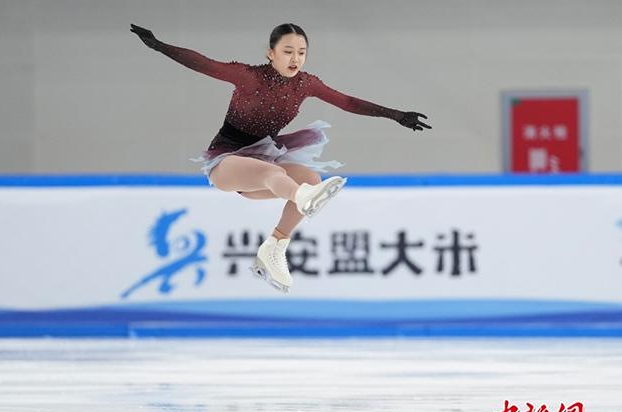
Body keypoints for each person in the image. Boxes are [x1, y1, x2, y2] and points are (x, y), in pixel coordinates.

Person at [130, 23, 431, 293]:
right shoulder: (248, 76)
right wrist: (160, 46)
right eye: (288, 51)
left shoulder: (306, 84)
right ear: (271, 53)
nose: (295, 59)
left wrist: (396, 115)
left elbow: (348, 102)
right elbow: (204, 64)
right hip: (227, 161)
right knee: (277, 176)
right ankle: (303, 197)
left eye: (301, 52)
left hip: (263, 159)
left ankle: (274, 247)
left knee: (310, 177)